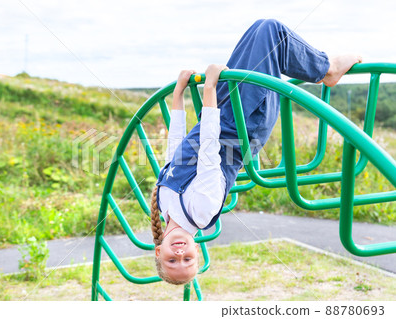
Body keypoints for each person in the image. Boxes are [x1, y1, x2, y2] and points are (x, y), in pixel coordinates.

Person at [149, 19, 362, 285]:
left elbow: (175, 151)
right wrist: (210, 89)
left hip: (222, 114)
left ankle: (324, 67)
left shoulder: (164, 208)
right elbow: (208, 152)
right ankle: (327, 69)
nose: (180, 254)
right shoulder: (201, 213)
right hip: (246, 123)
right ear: (196, 251)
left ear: (159, 251)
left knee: (261, 31)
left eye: (172, 260)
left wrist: (179, 94)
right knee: (271, 34)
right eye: (187, 259)